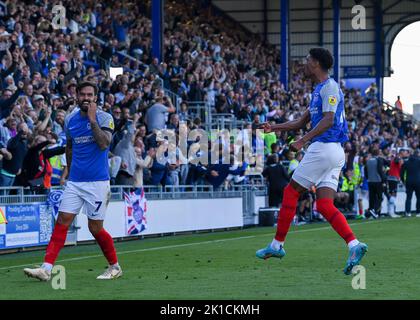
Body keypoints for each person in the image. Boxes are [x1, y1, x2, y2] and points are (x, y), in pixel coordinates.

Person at [256, 47, 368, 275]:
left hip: (324, 148)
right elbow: (300, 121)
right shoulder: (319, 90)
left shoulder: (330, 88)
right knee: (325, 205)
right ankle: (354, 245)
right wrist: (273, 127)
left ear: (316, 63)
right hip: (334, 152)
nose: (305, 64)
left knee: (290, 192)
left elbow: (328, 120)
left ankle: (277, 245)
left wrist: (301, 142)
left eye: (307, 61)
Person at [24, 82, 122, 281]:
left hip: (97, 182)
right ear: (77, 96)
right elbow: (70, 147)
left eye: (90, 95)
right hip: (75, 182)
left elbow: (104, 144)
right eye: (83, 94)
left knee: (95, 228)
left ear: (95, 97)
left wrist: (92, 120)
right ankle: (46, 268)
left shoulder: (104, 117)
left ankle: (115, 267)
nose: (86, 98)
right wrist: (69, 173)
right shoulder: (70, 120)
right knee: (62, 221)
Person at [364, 148, 385, 219]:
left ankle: (371, 211)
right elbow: (380, 170)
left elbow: (365, 170)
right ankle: (376, 211)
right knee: (379, 197)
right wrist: (383, 180)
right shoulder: (378, 160)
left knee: (372, 197)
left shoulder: (368, 161)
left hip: (370, 181)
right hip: (378, 181)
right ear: (378, 153)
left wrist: (368, 178)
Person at [400, 149, 420, 217]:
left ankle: (408, 212)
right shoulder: (418, 161)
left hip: (409, 182)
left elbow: (401, 174)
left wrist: (403, 181)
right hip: (418, 181)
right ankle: (418, 212)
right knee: (419, 197)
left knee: (408, 198)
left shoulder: (406, 163)